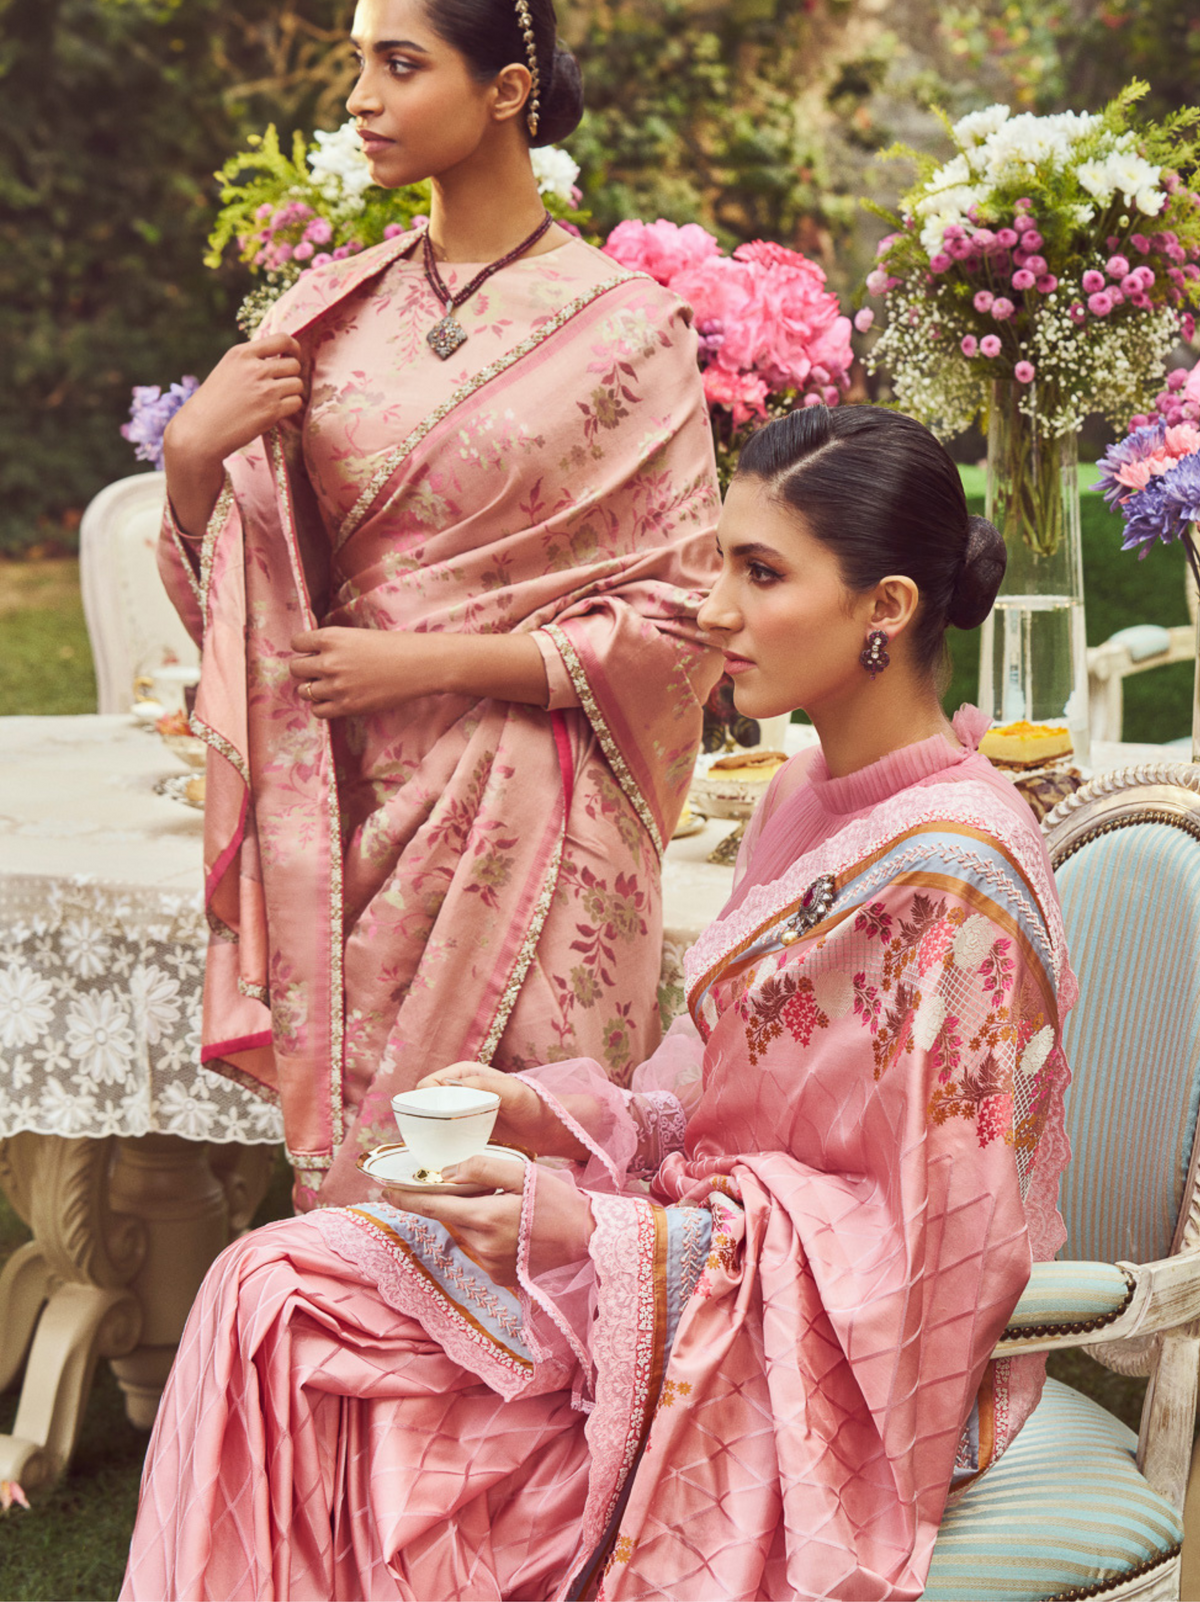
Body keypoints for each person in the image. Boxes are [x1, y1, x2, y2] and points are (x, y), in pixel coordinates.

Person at [122, 405, 1074, 1602]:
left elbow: (926, 1263)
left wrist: (588, 1234)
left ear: (885, 608)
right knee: (269, 1290)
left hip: (804, 1369)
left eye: (760, 572)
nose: (712, 608)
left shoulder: (962, 872)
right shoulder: (798, 793)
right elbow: (699, 1107)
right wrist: (535, 1116)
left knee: (323, 1353)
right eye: (720, 560)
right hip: (684, 1282)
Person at [157, 0, 722, 1208]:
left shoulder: (628, 331)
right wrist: (194, 460)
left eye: (401, 64)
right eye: (359, 62)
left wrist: (428, 660)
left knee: (502, 1210)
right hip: (349, 807)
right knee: (365, 1210)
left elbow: (685, 623)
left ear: (507, 89)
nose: (362, 98)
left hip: (539, 814)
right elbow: (248, 578)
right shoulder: (331, 313)